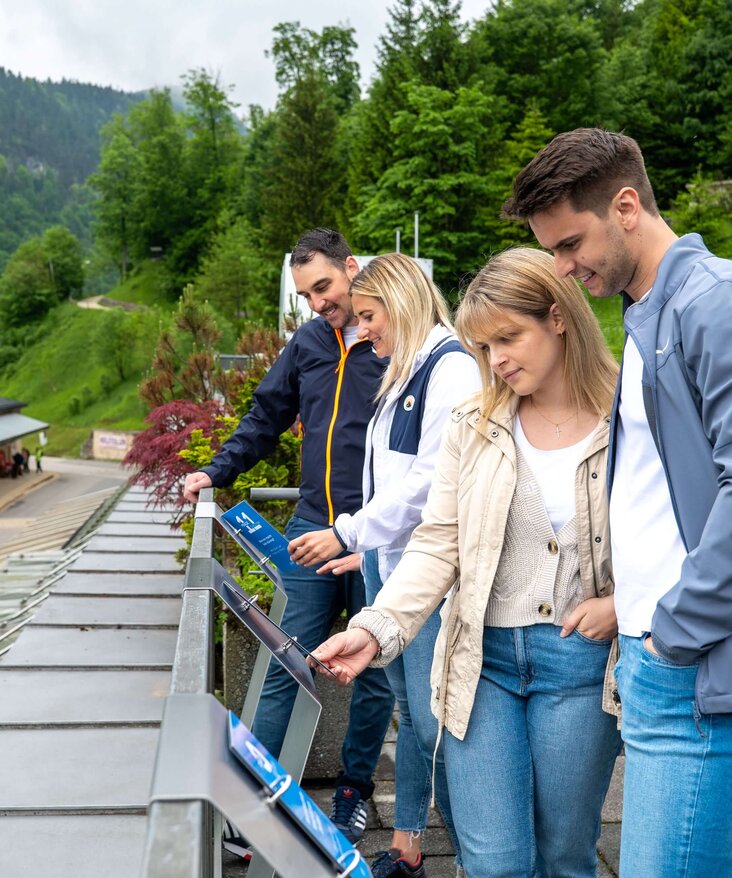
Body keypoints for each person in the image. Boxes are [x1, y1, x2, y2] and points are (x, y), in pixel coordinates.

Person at [311, 247, 622, 877]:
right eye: (483, 347)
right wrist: (375, 627)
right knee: (495, 861)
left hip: (581, 666)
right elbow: (437, 541)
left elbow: (673, 535)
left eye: (508, 338)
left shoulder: (630, 416)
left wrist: (625, 603)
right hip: (482, 664)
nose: (497, 360)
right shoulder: (473, 424)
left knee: (565, 853)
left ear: (559, 317)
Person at [502, 127, 732, 876]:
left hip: (687, 666)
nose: (564, 269)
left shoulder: (710, 305)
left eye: (570, 245)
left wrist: (673, 634)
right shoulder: (648, 316)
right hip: (655, 660)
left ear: (626, 206)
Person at [182, 228, 395, 848]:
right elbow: (264, 417)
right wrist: (215, 472)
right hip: (311, 529)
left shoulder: (396, 340)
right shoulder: (307, 342)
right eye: (305, 294)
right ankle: (253, 807)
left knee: (375, 672)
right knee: (286, 660)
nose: (317, 303)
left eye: (323, 286)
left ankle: (354, 795)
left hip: (378, 534)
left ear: (352, 268)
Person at [289, 253, 480, 877]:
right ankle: (416, 844)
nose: (363, 329)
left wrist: (348, 531)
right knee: (413, 716)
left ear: (401, 302)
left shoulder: (449, 370)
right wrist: (365, 552)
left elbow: (429, 484)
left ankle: (464, 846)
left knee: (432, 721)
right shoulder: (406, 369)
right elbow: (392, 478)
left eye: (369, 316)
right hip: (389, 565)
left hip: (423, 575)